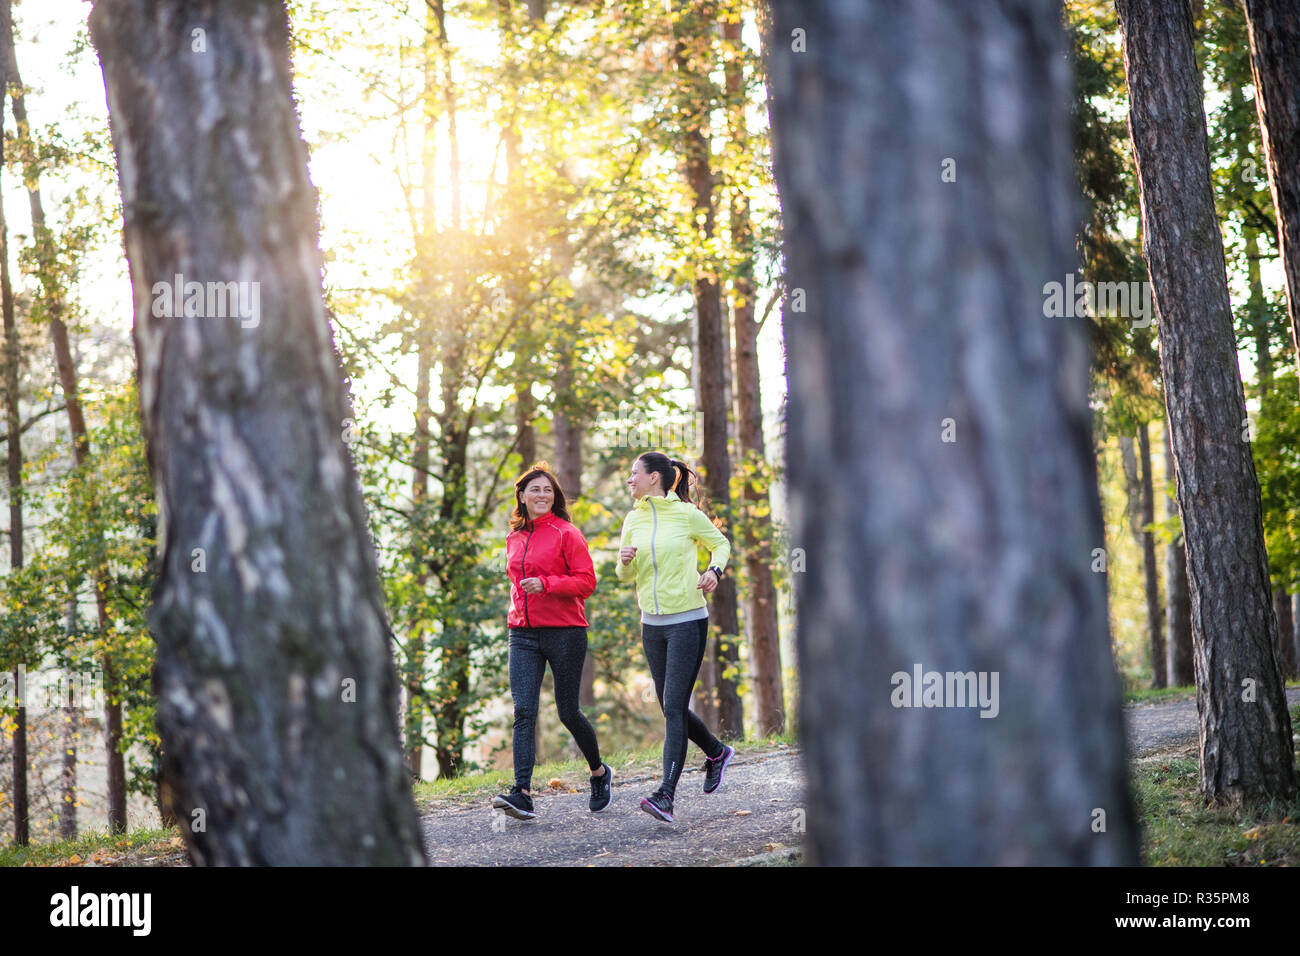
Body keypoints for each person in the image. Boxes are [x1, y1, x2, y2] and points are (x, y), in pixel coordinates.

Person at [617, 451, 736, 822]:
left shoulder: (686, 514)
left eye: (634, 473)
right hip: (651, 624)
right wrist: (624, 561)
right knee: (673, 707)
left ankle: (666, 795)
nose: (629, 479)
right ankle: (716, 752)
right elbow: (624, 578)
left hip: (687, 620)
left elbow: (722, 544)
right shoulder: (633, 519)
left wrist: (714, 570)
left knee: (671, 706)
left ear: (655, 477)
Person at [493, 462, 612, 820]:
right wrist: (517, 609)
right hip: (523, 634)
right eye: (535, 490)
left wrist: (547, 584)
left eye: (547, 490)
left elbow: (587, 582)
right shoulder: (514, 536)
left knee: (567, 711)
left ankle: (599, 773)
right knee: (524, 711)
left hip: (565, 632)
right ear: (522, 496)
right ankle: (523, 793)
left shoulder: (567, 533)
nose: (542, 495)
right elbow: (516, 583)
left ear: (554, 496)